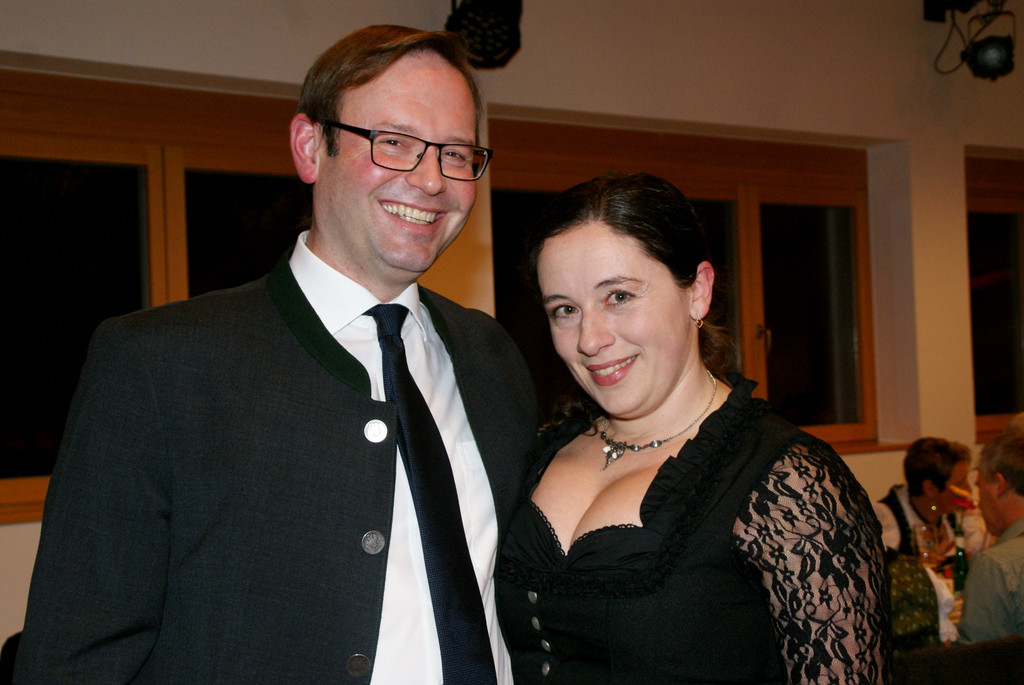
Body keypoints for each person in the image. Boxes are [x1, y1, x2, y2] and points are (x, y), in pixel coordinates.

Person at [14, 25, 537, 684]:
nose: (431, 180)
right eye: (394, 142)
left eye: (456, 153)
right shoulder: (160, 364)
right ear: (310, 147)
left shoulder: (493, 359)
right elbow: (74, 659)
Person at [494, 173, 890, 683]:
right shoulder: (542, 451)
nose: (589, 339)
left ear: (698, 292)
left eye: (619, 296)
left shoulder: (791, 483)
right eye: (565, 310)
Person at [957, 416, 1024, 643]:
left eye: (979, 486)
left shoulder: (996, 566)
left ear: (999, 485)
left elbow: (977, 659)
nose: (977, 502)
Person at [873, 437, 988, 563]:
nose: (969, 491)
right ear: (930, 488)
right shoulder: (889, 519)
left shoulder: (954, 513)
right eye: (960, 484)